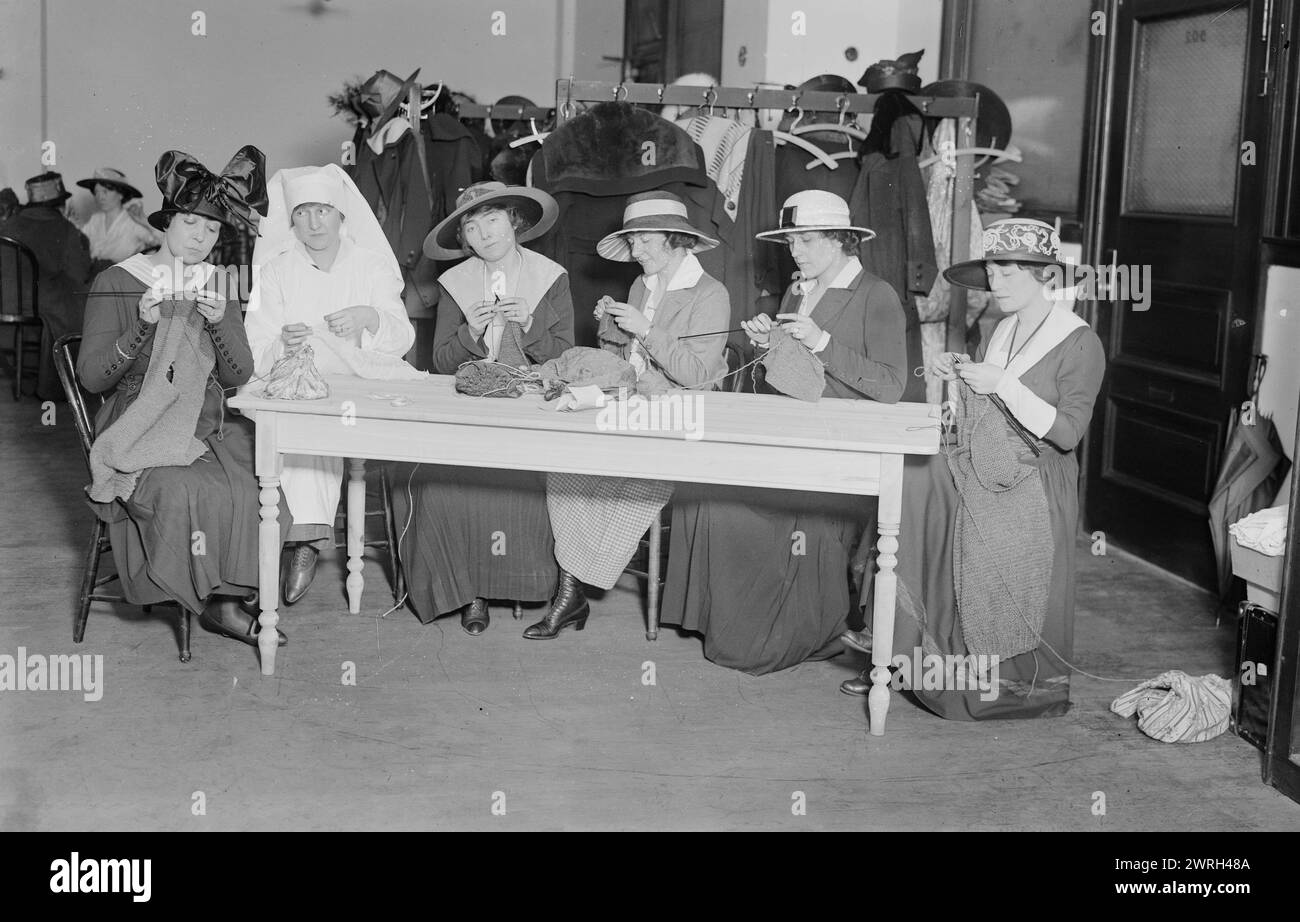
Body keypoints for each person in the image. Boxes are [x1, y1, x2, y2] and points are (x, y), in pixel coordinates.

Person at [839, 218, 1106, 719]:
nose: (995, 284)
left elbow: (1068, 434)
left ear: (1045, 275)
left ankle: (926, 659)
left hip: (1036, 476)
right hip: (988, 461)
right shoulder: (1002, 330)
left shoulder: (1079, 342)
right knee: (909, 476)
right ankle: (899, 652)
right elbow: (982, 414)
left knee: (919, 486)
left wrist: (1000, 382)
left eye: (1006, 273)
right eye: (991, 272)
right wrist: (959, 374)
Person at [658, 190, 911, 674]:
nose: (796, 251)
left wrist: (822, 342)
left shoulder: (876, 294)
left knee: (746, 512)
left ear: (841, 241)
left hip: (844, 450)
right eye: (791, 241)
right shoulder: (800, 289)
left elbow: (891, 386)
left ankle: (779, 633)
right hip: (798, 434)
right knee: (706, 489)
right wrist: (769, 341)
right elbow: (796, 373)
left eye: (807, 240)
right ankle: (724, 620)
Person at [77, 146, 284, 648]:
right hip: (138, 418)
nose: (200, 237)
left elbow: (240, 376)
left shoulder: (218, 284)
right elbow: (91, 378)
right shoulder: (119, 280)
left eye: (212, 229)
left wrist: (219, 324)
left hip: (207, 417)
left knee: (262, 484)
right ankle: (208, 596)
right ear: (167, 222)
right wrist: (139, 328)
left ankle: (230, 596)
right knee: (188, 489)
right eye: (190, 222)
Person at [529, 191, 730, 640]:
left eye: (641, 241)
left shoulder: (710, 295)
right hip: (627, 407)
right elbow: (625, 363)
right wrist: (613, 328)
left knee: (629, 480)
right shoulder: (643, 284)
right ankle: (571, 591)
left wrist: (645, 329)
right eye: (633, 242)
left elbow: (696, 377)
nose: (634, 251)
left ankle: (570, 593)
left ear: (674, 240)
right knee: (563, 465)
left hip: (676, 419)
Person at [392, 182, 573, 634]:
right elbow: (440, 363)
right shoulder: (455, 283)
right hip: (472, 403)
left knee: (526, 484)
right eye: (472, 228)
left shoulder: (551, 275)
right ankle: (469, 591)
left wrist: (530, 326)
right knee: (442, 483)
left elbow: (566, 355)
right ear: (464, 240)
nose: (484, 234)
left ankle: (520, 583)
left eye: (492, 220)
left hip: (533, 404)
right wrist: (470, 334)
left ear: (514, 221)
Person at [244, 164, 418, 606]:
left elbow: (401, 335)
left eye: (324, 210)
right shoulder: (276, 270)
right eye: (303, 212)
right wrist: (283, 343)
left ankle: (301, 538)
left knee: (328, 417)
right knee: (302, 421)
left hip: (361, 381)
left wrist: (368, 317)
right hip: (299, 383)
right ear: (291, 221)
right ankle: (303, 536)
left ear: (342, 215)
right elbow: (256, 341)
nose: (314, 223)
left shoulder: (370, 264)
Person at [0, 172, 92, 399]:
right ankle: (70, 380)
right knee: (80, 298)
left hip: (6, 302)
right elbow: (78, 275)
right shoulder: (65, 229)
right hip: (37, 305)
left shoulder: (7, 226)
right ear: (59, 203)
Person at [75, 168, 162, 272]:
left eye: (105, 191)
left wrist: (144, 221)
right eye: (96, 192)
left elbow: (164, 243)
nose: (100, 197)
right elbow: (76, 245)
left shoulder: (132, 220)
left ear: (121, 194)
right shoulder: (95, 220)